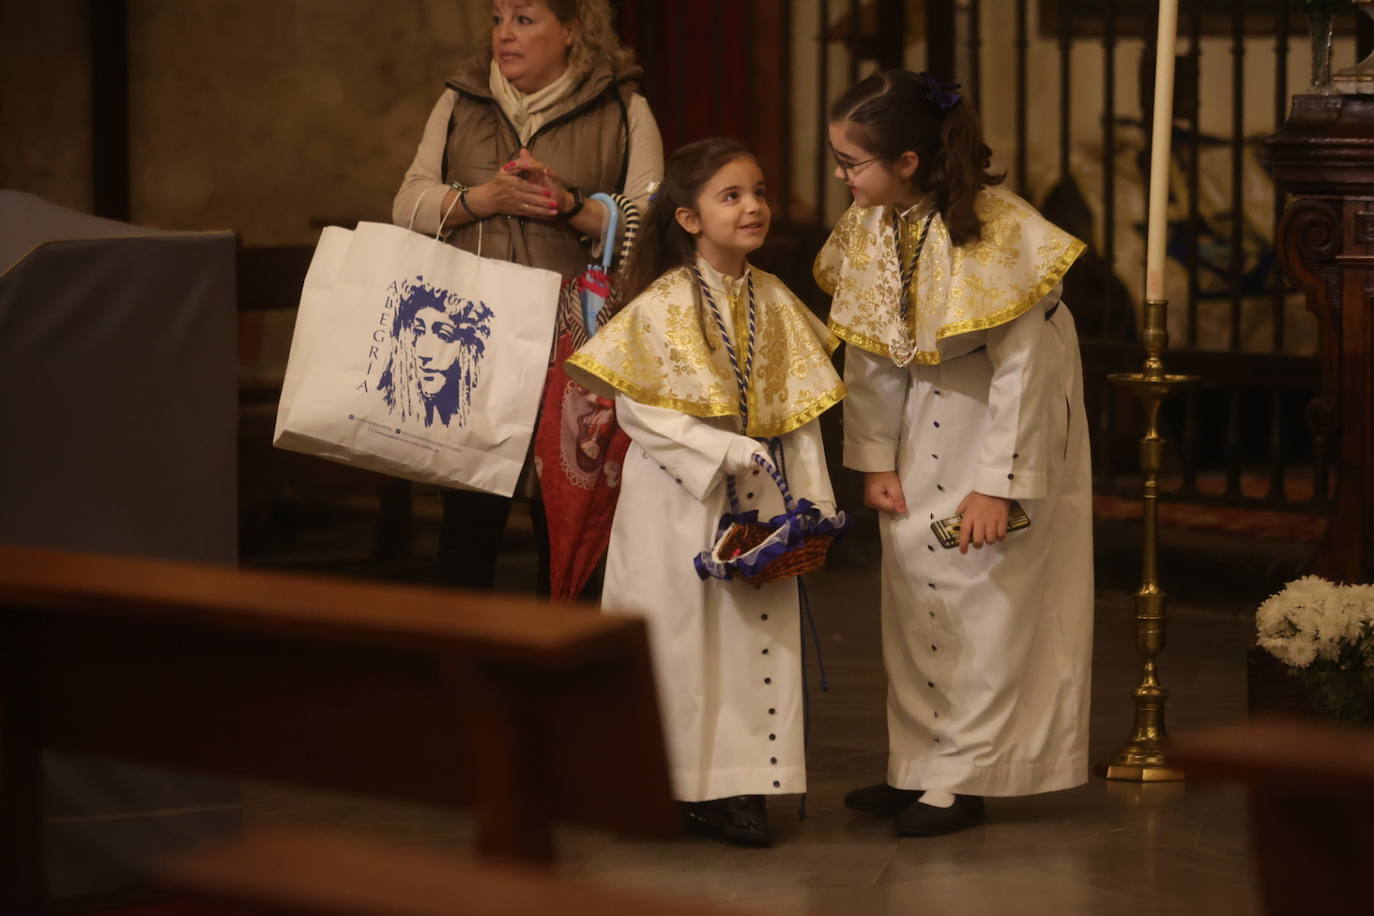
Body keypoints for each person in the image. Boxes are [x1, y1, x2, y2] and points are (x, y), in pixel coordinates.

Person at [813, 70, 1094, 837]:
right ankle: (917, 765)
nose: (841, 176)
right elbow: (869, 354)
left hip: (994, 424)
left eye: (852, 162)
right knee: (913, 590)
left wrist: (999, 485)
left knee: (983, 597)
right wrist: (873, 460)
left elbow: (1027, 372)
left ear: (907, 160)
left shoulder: (998, 229)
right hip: (918, 425)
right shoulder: (871, 226)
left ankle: (966, 773)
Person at [566, 138, 846, 847]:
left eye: (758, 192)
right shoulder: (661, 304)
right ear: (688, 218)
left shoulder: (775, 298)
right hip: (676, 501)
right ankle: (675, 787)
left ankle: (746, 786)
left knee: (757, 644)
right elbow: (640, 409)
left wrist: (812, 503)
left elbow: (800, 411)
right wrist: (721, 447)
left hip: (761, 501)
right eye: (731, 196)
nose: (752, 206)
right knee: (684, 644)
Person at [392, 0, 664, 591]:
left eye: (524, 19)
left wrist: (570, 206)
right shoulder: (461, 100)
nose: (504, 35)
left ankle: (560, 666)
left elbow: (652, 226)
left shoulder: (623, 107)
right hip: (472, 338)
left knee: (563, 522)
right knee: (467, 525)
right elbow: (407, 202)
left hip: (571, 348)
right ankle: (462, 672)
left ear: (571, 31)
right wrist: (477, 201)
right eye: (497, 19)